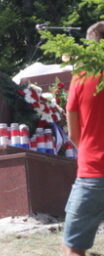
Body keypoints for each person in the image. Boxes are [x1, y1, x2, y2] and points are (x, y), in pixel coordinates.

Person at [62, 20, 104, 256]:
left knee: (73, 248)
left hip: (93, 172)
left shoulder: (81, 77)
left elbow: (73, 133)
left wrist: (88, 150)